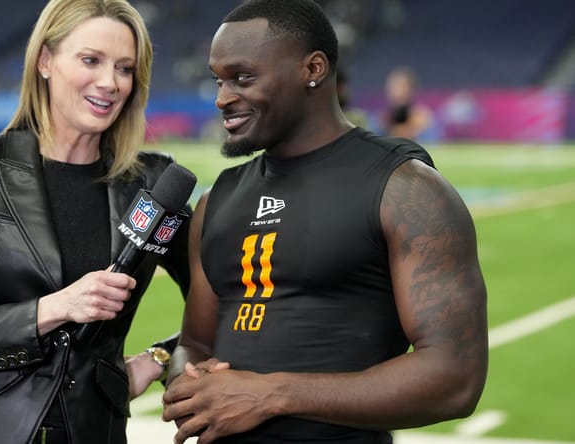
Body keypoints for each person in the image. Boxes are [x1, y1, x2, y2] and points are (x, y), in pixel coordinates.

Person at [161, 1, 488, 443]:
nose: (222, 98)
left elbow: (455, 376)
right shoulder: (217, 199)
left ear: (312, 68)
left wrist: (273, 394)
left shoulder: (405, 188)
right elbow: (195, 343)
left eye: (243, 78)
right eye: (218, 80)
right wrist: (187, 379)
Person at [0, 1, 190, 443]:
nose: (110, 82)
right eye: (90, 60)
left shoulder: (152, 184)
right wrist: (55, 307)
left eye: (124, 68)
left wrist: (161, 357)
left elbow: (222, 298)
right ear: (44, 60)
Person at [383, 66, 433, 140]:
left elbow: (433, 142)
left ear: (411, 89)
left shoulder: (421, 117)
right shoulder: (383, 119)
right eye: (392, 86)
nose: (395, 90)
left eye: (400, 86)